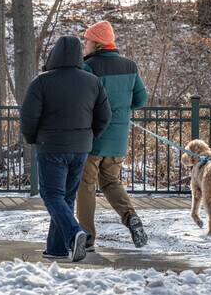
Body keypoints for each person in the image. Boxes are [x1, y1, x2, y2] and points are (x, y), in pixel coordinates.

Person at [20, 35, 112, 262]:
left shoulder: (42, 81)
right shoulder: (92, 81)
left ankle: (74, 233)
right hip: (80, 149)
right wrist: (89, 137)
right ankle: (57, 250)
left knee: (51, 195)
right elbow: (105, 116)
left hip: (50, 147)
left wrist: (33, 139)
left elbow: (28, 117)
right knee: (66, 198)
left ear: (54, 54)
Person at [76, 20, 149, 251]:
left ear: (96, 43)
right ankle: (130, 217)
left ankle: (87, 237)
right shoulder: (130, 66)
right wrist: (122, 110)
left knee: (85, 185)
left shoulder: (88, 67)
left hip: (94, 138)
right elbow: (140, 100)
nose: (83, 44)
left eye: (86, 40)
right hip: (118, 139)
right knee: (111, 182)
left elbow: (83, 103)